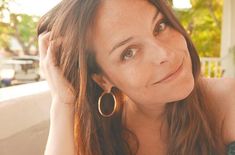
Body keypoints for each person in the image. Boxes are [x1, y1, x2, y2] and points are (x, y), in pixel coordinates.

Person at [37, 0, 235, 155]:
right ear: (102, 79)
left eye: (160, 26)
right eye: (129, 52)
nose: (164, 54)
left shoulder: (227, 99)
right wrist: (62, 104)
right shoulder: (94, 133)